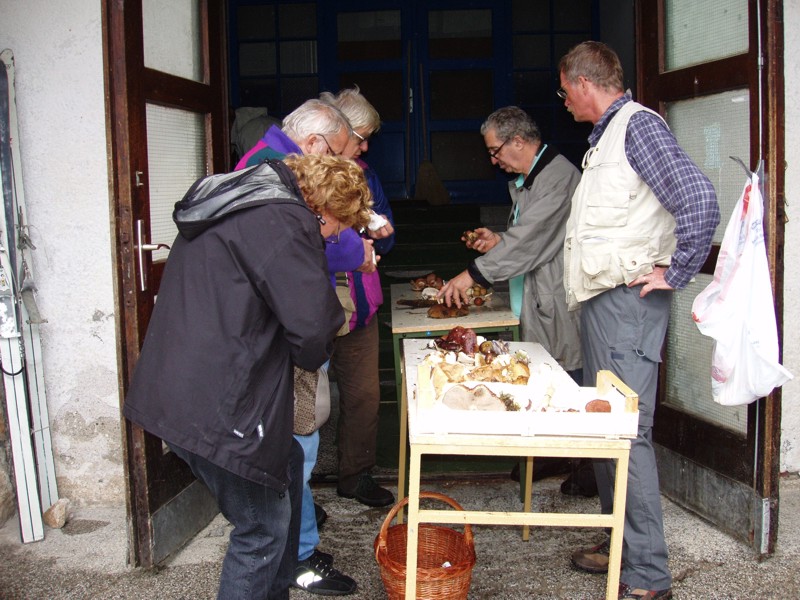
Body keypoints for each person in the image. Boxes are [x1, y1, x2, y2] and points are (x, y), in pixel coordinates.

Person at [122, 154, 372, 600]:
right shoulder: (283, 220)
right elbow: (313, 328)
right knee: (260, 530)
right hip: (218, 399)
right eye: (339, 227)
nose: (336, 237)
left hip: (177, 385)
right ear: (325, 211)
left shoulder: (244, 202)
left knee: (289, 465)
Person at [558, 41, 720, 600]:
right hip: (607, 302)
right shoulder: (609, 137)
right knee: (609, 429)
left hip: (626, 306)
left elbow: (698, 198)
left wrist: (676, 271)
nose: (565, 102)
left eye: (564, 92)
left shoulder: (636, 127)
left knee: (627, 435)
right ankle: (618, 545)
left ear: (583, 83)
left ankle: (648, 577)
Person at [236, 98, 371, 596]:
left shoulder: (269, 165)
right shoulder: (271, 174)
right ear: (313, 145)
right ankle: (298, 555)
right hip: (283, 337)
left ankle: (300, 542)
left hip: (283, 332)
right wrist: (357, 248)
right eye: (340, 151)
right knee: (297, 445)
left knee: (300, 443)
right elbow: (313, 242)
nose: (346, 160)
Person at [437, 106, 584, 488]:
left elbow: (535, 239)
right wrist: (500, 239)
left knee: (568, 375)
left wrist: (472, 274)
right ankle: (553, 457)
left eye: (495, 150)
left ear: (519, 140)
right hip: (535, 294)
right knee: (544, 375)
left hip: (556, 296)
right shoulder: (527, 179)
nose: (493, 159)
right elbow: (527, 235)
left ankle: (586, 468)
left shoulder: (558, 177)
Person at [319, 87, 397, 508]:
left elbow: (389, 238)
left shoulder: (366, 176)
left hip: (362, 305)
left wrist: (376, 238)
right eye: (361, 136)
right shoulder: (303, 175)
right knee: (306, 399)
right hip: (316, 304)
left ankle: (356, 474)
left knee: (364, 394)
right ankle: (294, 490)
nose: (365, 146)